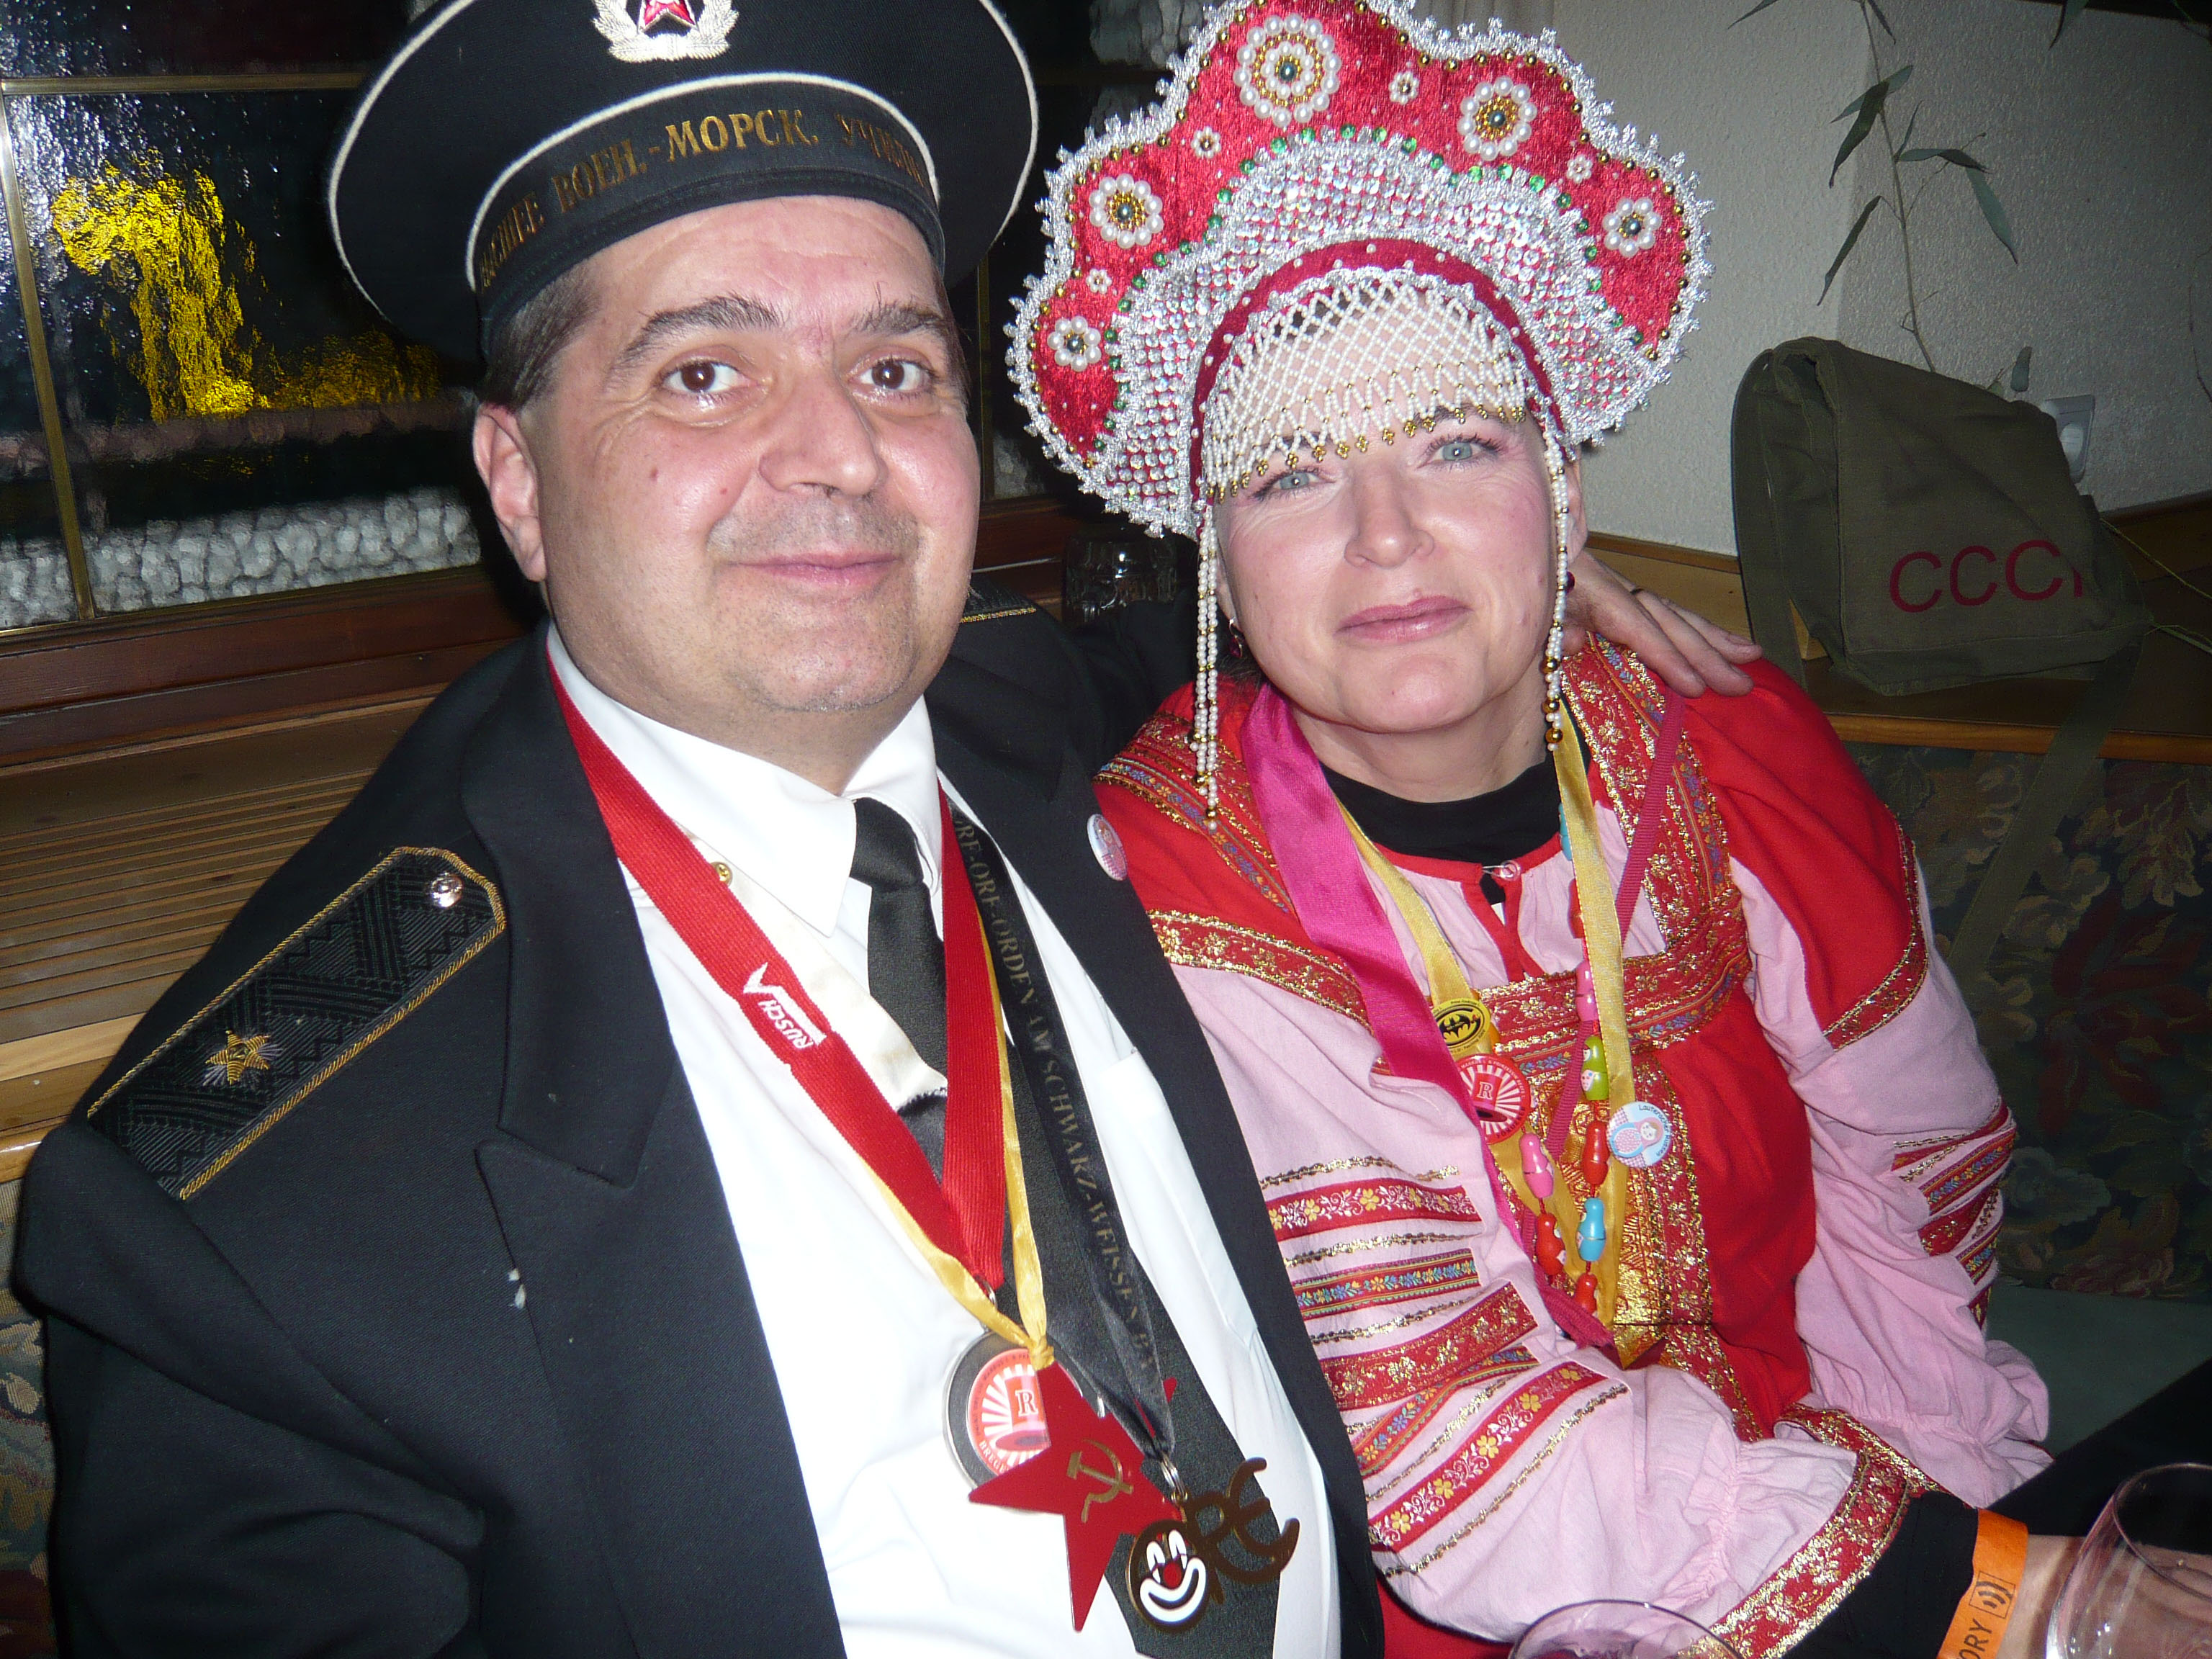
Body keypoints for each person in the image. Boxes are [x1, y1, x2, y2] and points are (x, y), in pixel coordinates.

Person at [12, 1, 1740, 1655]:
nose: (838, 454)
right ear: (519, 483)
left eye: (896, 365)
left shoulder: (1037, 713)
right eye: (704, 374)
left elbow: (1255, 615)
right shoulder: (254, 1219)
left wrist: (1488, 564)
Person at [1007, 2, 2069, 1654]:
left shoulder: (1739, 759)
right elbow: (1448, 1431)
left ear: (1561, 494)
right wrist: (1975, 1595)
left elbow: (1914, 1190)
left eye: (1458, 446)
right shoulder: (1186, 890)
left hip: (1855, 1491)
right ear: (1213, 551)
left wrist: (1937, 1526)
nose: (1388, 536)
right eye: (1291, 475)